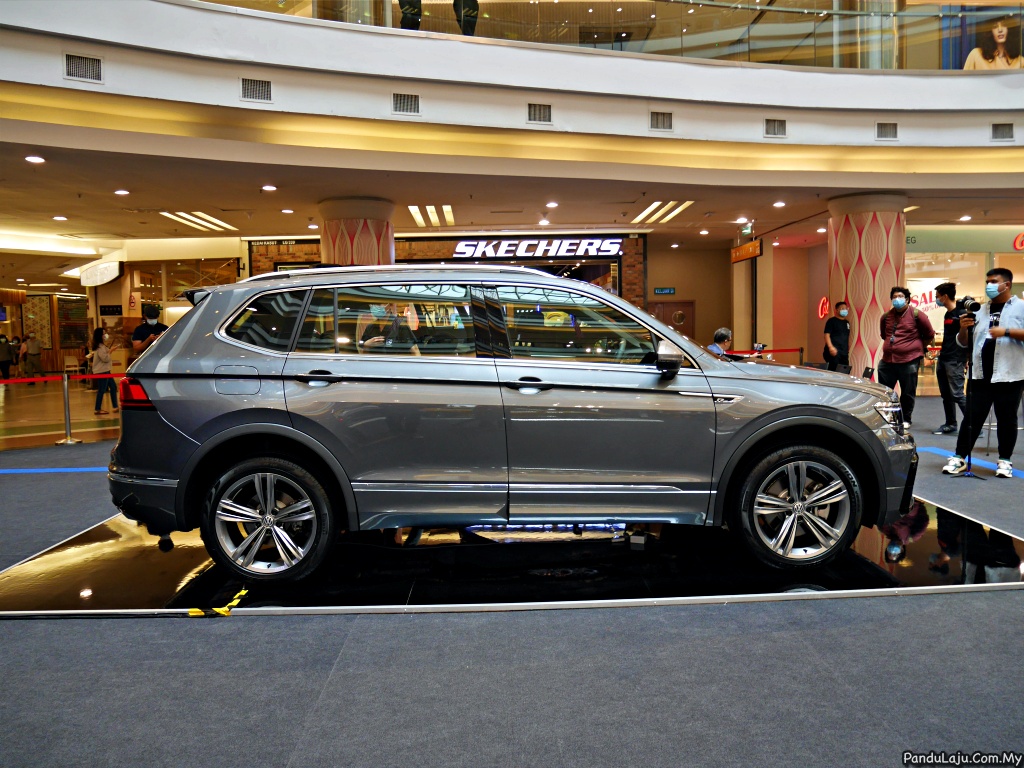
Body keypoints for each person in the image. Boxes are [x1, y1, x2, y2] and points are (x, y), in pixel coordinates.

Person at [942, 268, 1024, 479]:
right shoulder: (979, 310)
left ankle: (1005, 460)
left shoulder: (1021, 308)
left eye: (994, 281)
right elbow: (963, 343)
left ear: (1007, 284)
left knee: (1007, 419)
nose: (989, 285)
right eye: (987, 281)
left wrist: (1006, 331)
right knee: (971, 418)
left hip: (1009, 375)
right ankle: (959, 457)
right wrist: (963, 328)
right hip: (979, 375)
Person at [878, 286, 934, 429]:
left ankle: (906, 419)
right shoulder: (886, 317)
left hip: (909, 360)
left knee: (908, 392)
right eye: (894, 297)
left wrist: (917, 347)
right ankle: (887, 418)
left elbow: (929, 334)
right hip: (888, 360)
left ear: (907, 299)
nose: (897, 299)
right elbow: (884, 335)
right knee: (885, 392)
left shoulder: (917, 315)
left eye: (900, 296)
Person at [931, 282, 968, 435]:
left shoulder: (962, 313)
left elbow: (968, 339)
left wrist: (966, 358)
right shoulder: (948, 314)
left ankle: (974, 425)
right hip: (944, 357)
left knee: (958, 394)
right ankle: (951, 423)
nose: (937, 299)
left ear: (945, 297)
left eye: (938, 297)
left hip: (955, 359)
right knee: (946, 395)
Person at [90, 327, 119, 416]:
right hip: (102, 371)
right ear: (100, 335)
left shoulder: (102, 346)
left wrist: (110, 350)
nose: (105, 335)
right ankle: (97, 409)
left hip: (106, 370)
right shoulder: (100, 347)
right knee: (102, 390)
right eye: (103, 334)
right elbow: (105, 358)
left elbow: (105, 354)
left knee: (113, 387)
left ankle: (115, 406)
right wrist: (111, 351)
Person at [823, 301, 851, 371]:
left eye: (846, 308)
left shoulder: (847, 323)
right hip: (834, 352)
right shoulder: (831, 321)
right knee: (834, 371)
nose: (845, 310)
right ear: (837, 310)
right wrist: (830, 347)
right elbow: (826, 335)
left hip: (844, 353)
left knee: (845, 372)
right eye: (842, 308)